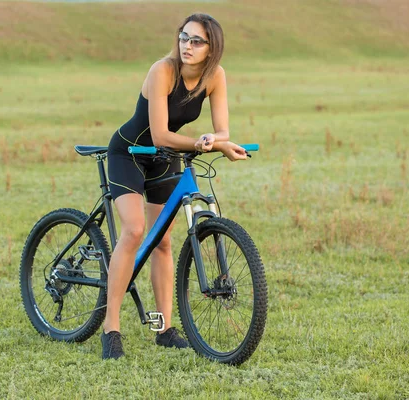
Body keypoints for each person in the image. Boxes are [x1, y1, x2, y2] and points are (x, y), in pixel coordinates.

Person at [102, 13, 248, 360]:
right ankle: (111, 327)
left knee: (163, 242)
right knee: (136, 230)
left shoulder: (216, 76)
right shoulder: (162, 71)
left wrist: (217, 140)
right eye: (184, 37)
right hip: (131, 152)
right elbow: (160, 135)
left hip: (164, 158)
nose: (188, 46)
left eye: (197, 41)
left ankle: (163, 328)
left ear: (212, 48)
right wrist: (205, 145)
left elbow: (222, 130)